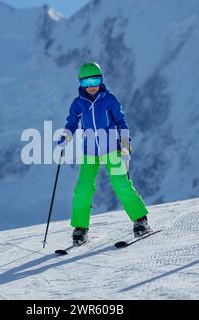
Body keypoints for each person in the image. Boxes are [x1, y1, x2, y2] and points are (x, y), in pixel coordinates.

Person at [58, 62, 152, 246]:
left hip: (112, 150)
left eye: (96, 79)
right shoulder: (78, 103)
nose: (92, 85)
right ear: (81, 84)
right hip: (90, 153)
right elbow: (71, 123)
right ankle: (80, 229)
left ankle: (140, 220)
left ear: (101, 80)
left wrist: (125, 146)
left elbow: (121, 123)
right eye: (87, 82)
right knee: (83, 188)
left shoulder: (110, 99)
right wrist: (66, 136)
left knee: (120, 183)